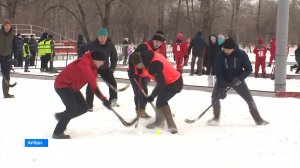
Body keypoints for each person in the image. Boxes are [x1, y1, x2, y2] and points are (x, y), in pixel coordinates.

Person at [207, 37, 269, 126]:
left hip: (237, 80)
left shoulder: (241, 54)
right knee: (214, 97)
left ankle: (258, 120)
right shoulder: (220, 56)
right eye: (224, 49)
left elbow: (249, 69)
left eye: (228, 50)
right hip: (223, 79)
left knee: (249, 99)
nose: (226, 51)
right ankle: (216, 118)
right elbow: (219, 73)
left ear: (233, 48)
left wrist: (239, 78)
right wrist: (221, 87)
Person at [53, 49, 111, 139]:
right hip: (62, 84)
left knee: (83, 108)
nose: (102, 64)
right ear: (96, 60)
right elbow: (93, 85)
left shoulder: (93, 68)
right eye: (102, 62)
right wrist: (103, 99)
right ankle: (58, 132)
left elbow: (93, 86)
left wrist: (104, 100)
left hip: (72, 87)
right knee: (72, 108)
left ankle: (62, 117)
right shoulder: (85, 63)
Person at [131, 50, 183, 134]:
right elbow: (154, 76)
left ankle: (172, 126)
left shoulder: (153, 65)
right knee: (160, 101)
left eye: (138, 65)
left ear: (141, 61)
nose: (139, 68)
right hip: (170, 81)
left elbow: (161, 83)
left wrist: (152, 96)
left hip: (174, 83)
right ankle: (159, 122)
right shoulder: (150, 57)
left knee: (162, 100)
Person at [127, 31, 165, 118]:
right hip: (134, 72)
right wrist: (133, 70)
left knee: (145, 92)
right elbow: (132, 57)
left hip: (143, 73)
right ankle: (138, 111)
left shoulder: (155, 50)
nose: (158, 44)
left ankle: (142, 110)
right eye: (156, 41)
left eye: (159, 42)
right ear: (153, 41)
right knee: (138, 92)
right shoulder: (144, 46)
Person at [79, 28, 118, 111]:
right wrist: (81, 60)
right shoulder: (92, 44)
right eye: (101, 37)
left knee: (113, 83)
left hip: (105, 68)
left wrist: (112, 69)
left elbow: (114, 58)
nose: (102, 39)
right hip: (93, 68)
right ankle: (89, 105)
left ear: (107, 37)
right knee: (91, 85)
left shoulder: (110, 45)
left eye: (104, 37)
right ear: (98, 37)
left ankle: (113, 100)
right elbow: (82, 49)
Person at [0, 19, 16, 98]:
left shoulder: (13, 34)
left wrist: (15, 57)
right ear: (3, 26)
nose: (8, 27)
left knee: (6, 75)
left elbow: (15, 46)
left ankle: (6, 93)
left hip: (7, 56)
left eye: (9, 26)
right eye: (6, 25)